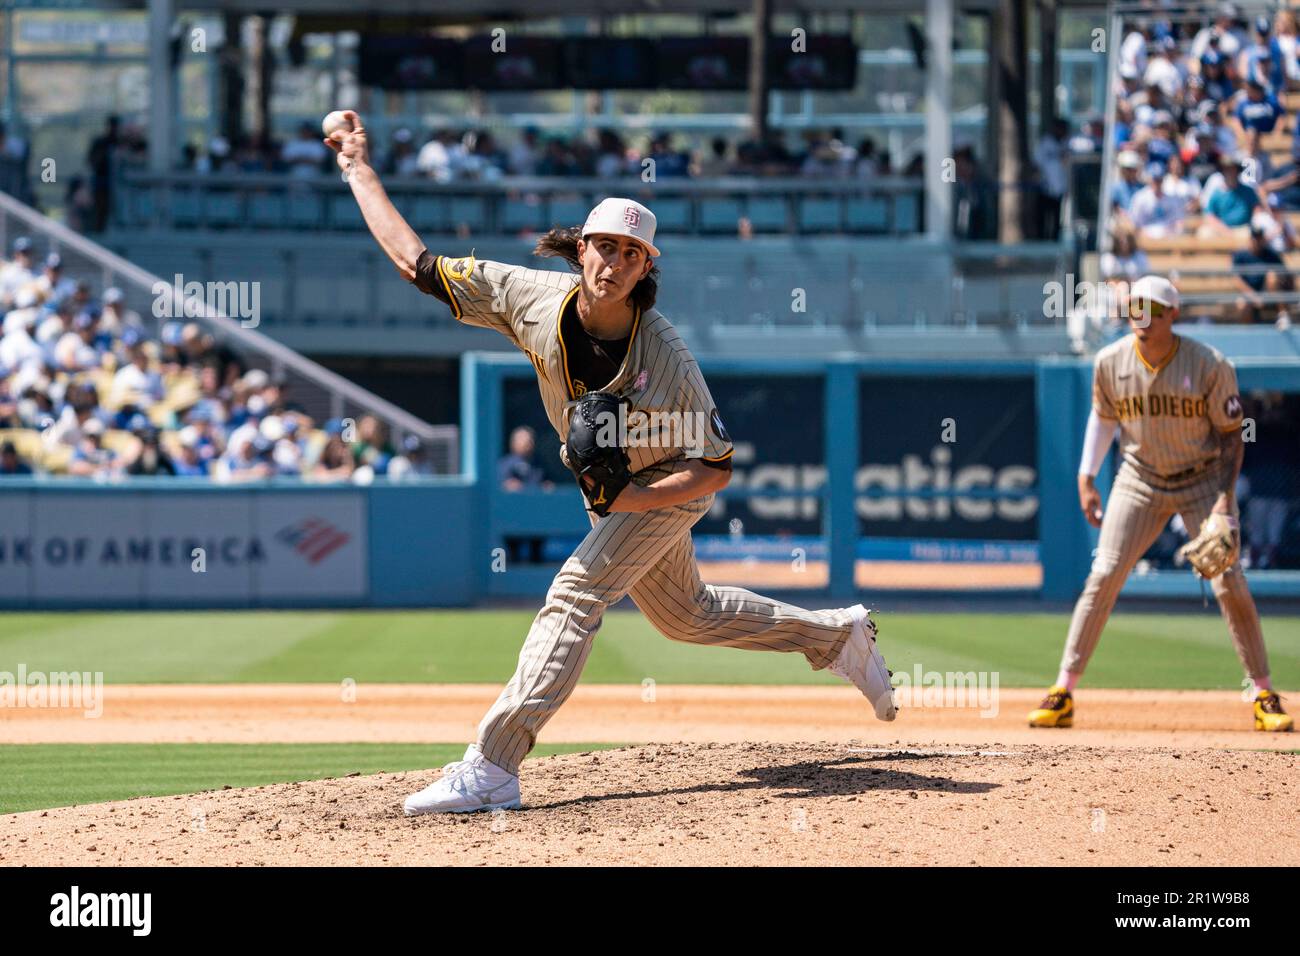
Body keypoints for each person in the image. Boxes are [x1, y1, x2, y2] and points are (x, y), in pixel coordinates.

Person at [326, 109, 899, 815]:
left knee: (576, 590)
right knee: (687, 616)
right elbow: (418, 265)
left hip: (667, 486)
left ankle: (495, 765)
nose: (614, 262)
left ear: (645, 267)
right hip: (616, 490)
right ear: (580, 249)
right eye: (604, 246)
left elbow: (716, 466)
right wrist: (357, 167)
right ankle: (837, 636)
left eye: (631, 253)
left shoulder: (666, 359)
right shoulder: (529, 300)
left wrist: (631, 500)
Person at [1029, 275, 1292, 733]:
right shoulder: (1110, 361)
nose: (1141, 316)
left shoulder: (1209, 364)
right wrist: (1086, 477)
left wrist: (1224, 504)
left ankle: (1264, 691)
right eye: (1134, 306)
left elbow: (1232, 438)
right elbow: (1103, 419)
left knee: (1229, 580)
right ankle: (1064, 690)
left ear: (1174, 314)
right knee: (1105, 572)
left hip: (1202, 480)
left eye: (1151, 307)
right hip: (1140, 480)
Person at [1232, 225, 1293, 323]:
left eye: (1259, 238)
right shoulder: (1240, 255)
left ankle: (1283, 316)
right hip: (1250, 293)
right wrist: (1254, 297)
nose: (1257, 241)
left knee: (1272, 276)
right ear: (1250, 239)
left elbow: (1284, 274)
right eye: (1254, 238)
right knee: (1242, 304)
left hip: (1270, 294)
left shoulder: (1271, 254)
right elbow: (1237, 280)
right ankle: (1247, 335)